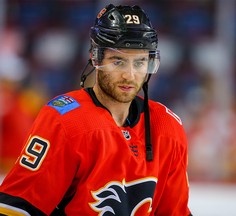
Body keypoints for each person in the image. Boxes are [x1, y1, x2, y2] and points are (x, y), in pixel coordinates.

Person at [0, 4, 192, 215]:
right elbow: (17, 208)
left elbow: (174, 211)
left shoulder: (168, 127)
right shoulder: (65, 120)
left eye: (139, 62)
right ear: (95, 57)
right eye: (118, 61)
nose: (129, 75)